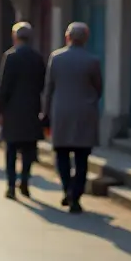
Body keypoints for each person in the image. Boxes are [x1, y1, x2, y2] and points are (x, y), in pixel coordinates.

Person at [43, 22, 103, 214]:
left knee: (61, 155)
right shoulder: (92, 60)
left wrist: (45, 113)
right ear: (86, 38)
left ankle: (66, 189)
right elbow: (98, 88)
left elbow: (49, 88)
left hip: (61, 112)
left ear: (67, 37)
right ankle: (75, 196)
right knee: (82, 158)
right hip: (84, 113)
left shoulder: (56, 58)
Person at [0, 21, 47, 200]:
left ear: (15, 36)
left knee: (11, 150)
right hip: (31, 109)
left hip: (12, 111)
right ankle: (24, 181)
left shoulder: (11, 56)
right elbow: (42, 84)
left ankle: (10, 186)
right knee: (28, 150)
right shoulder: (37, 57)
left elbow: (4, 86)